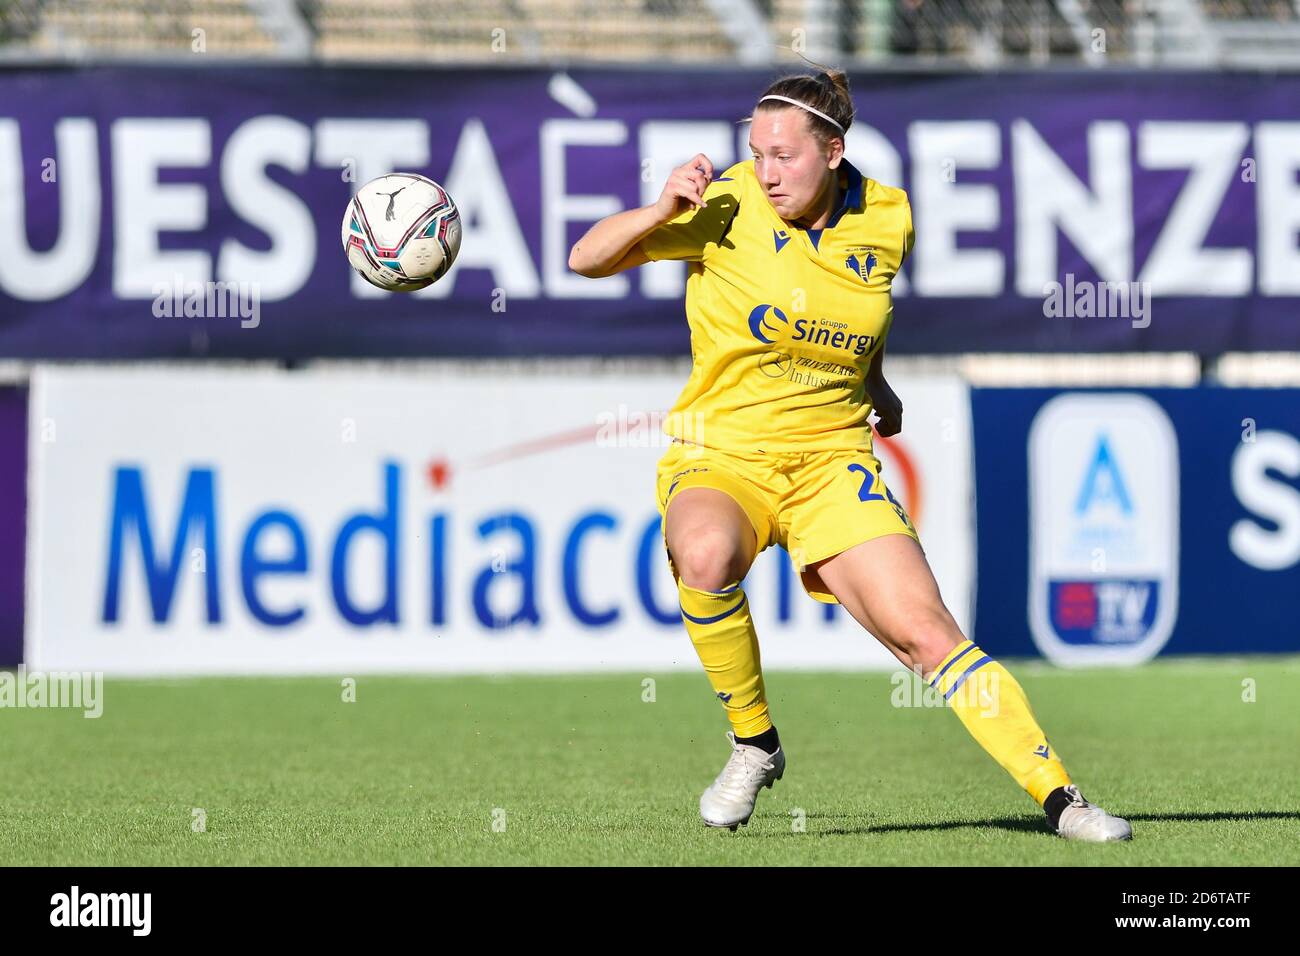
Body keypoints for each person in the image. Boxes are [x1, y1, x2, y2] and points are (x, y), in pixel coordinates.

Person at [568, 68, 1131, 842]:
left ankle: (1063, 799)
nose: (766, 171)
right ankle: (755, 743)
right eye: (756, 151)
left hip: (833, 459)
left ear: (833, 152)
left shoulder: (889, 216)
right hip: (725, 452)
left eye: (784, 155)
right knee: (703, 553)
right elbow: (586, 260)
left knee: (927, 634)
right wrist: (661, 208)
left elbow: (853, 319)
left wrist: (879, 384)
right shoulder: (724, 204)